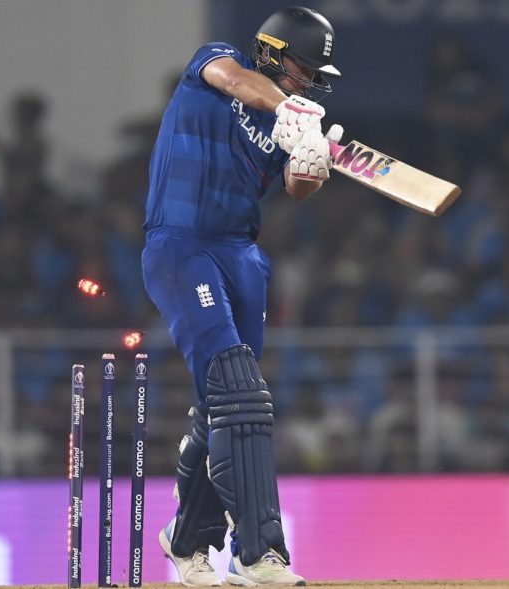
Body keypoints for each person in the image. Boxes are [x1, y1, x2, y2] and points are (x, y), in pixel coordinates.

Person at [142, 6, 343, 586]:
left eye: (311, 78)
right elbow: (234, 81)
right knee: (242, 391)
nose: (306, 84)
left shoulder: (293, 121)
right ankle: (260, 555)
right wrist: (289, 108)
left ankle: (186, 542)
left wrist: (310, 159)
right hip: (180, 245)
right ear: (273, 53)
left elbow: (297, 189)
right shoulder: (216, 62)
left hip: (240, 255)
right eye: (302, 70)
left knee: (223, 403)